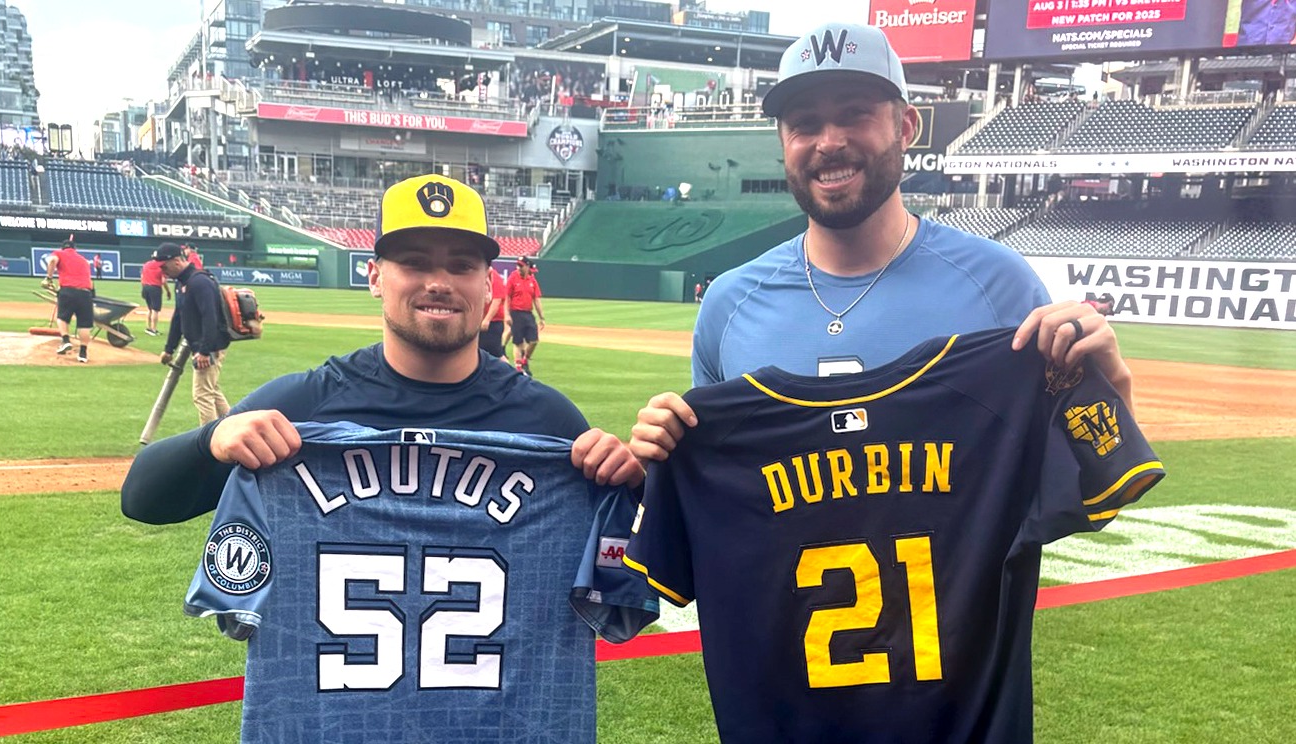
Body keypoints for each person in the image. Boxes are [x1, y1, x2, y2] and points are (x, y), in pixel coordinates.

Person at [625, 20, 1144, 744]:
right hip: (791, 713)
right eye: (805, 123)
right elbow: (727, 503)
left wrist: (1112, 385)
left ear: (905, 125)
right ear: (782, 142)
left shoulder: (1001, 287)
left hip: (958, 715)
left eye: (854, 114)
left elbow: (1087, 485)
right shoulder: (730, 305)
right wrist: (662, 452)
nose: (828, 141)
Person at [121, 175, 650, 743]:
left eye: (462, 266)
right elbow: (142, 498)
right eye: (415, 262)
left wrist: (631, 485)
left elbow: (629, 577)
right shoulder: (305, 406)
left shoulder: (548, 422)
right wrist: (213, 439)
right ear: (375, 275)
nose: (439, 282)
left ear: (486, 283)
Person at [155, 242, 231, 424]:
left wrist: (204, 351)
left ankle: (209, 438)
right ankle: (235, 426)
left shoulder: (199, 282)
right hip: (202, 346)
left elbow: (210, 318)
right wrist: (169, 348)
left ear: (176, 261)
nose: (163, 271)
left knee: (202, 395)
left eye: (164, 266)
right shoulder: (182, 282)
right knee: (212, 390)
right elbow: (178, 317)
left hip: (210, 347)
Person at [41, 238, 93, 363]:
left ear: (62, 247)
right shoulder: (83, 260)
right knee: (84, 325)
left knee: (62, 318)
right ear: (75, 248)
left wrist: (48, 278)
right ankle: (83, 353)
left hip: (68, 291)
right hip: (86, 293)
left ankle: (65, 340)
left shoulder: (59, 253)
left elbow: (52, 260)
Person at [506, 255, 546, 375]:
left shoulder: (532, 280)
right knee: (518, 342)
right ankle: (518, 367)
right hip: (516, 312)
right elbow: (507, 296)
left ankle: (525, 360)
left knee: (534, 341)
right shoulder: (513, 277)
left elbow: (536, 299)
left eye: (521, 266)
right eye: (518, 265)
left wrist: (541, 317)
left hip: (528, 312)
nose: (518, 268)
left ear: (527, 266)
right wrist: (507, 314)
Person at [479, 261, 509, 361]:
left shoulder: (495, 277)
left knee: (496, 353)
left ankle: (508, 370)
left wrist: (487, 319)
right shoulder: (483, 277)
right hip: (483, 321)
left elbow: (497, 300)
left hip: (493, 322)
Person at [139, 255, 172, 336]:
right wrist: (168, 291)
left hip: (145, 286)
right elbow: (163, 281)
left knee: (149, 309)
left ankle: (148, 327)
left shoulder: (146, 264)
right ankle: (153, 329)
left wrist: (143, 287)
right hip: (155, 288)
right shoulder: (161, 267)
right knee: (155, 310)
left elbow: (142, 277)